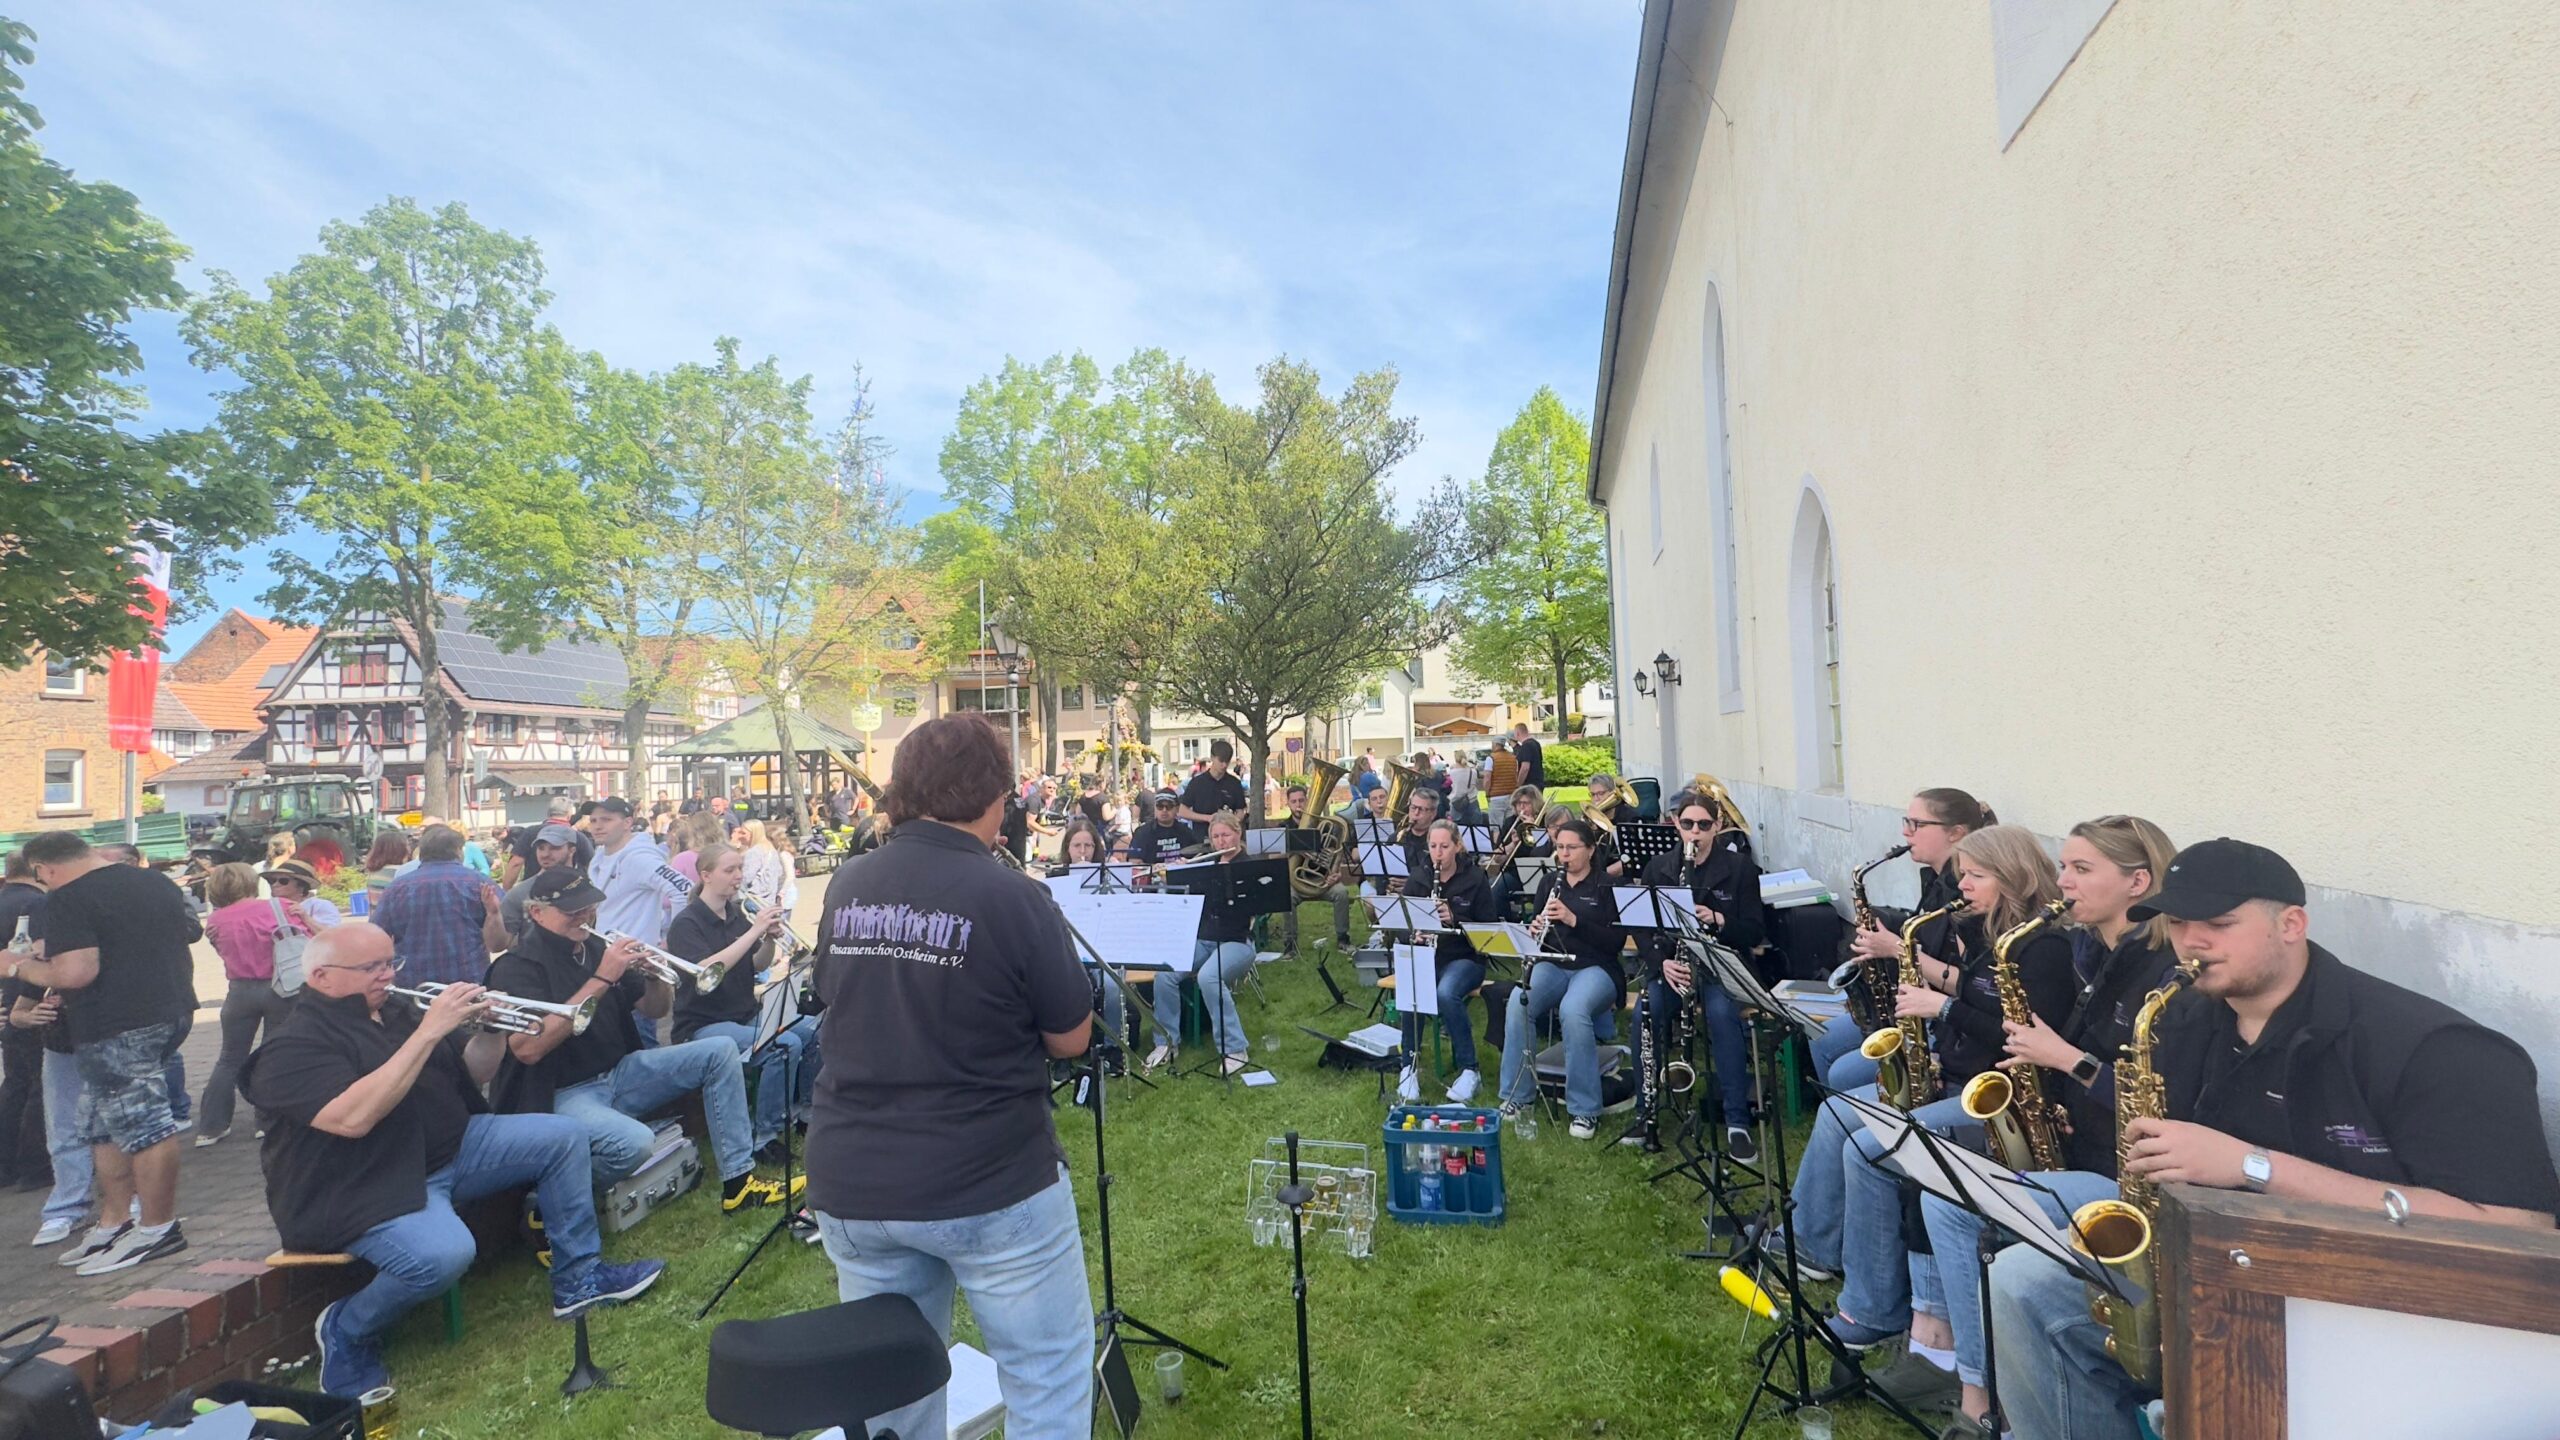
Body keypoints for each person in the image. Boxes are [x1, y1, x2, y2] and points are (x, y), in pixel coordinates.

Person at [1991, 838, 2560, 1440]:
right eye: (2178, 923)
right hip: (2220, 1268)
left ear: (2292, 925)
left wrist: (2253, 1166)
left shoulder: (2435, 1048)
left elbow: (2518, 1228)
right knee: (2022, 1282)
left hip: (2372, 1303)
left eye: (2218, 923)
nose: (2191, 942)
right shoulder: (2183, 1018)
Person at [805, 714, 1097, 1437]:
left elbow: (830, 994)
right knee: (1047, 1380)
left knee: (893, 1396)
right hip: (988, 1179)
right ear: (992, 797)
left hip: (856, 1176)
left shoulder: (849, 882)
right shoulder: (1013, 895)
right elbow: (1071, 1038)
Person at [237, 922, 664, 1397]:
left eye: (391, 962)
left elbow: (475, 1072)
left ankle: (579, 1279)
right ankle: (347, 1327)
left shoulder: (396, 1010)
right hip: (363, 1183)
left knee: (563, 1135)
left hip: (451, 1147)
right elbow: (352, 1119)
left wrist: (492, 1030)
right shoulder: (290, 1048)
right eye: (371, 967)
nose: (387, 975)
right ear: (321, 977)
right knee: (443, 1256)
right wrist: (429, 1031)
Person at [1882, 815, 2182, 1432]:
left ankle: (1977, 1393)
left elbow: (2161, 1096)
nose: (2062, 881)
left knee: (1951, 1199)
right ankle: (1955, 1359)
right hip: (2077, 1142)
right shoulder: (2093, 952)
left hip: (2123, 1180)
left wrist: (2066, 1063)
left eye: (2080, 869)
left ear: (2138, 883)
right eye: (2064, 866)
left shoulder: (2160, 972)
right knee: (1936, 1178)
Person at [1798, 825, 2075, 1359]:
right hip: (1957, 1075)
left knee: (1868, 1149)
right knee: (1845, 1118)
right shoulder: (1987, 930)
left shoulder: (2042, 949)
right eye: (1962, 874)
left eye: (1976, 876)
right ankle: (1834, 1257)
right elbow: (1977, 1001)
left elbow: (2017, 1033)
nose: (1962, 885)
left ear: (2014, 876)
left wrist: (1942, 1008)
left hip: (2000, 1100)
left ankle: (1873, 1307)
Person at [484, 867, 794, 1212]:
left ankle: (738, 1182)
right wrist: (603, 978)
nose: (585, 916)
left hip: (620, 1072)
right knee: (634, 1145)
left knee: (720, 1051)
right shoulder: (516, 967)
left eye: (589, 906)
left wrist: (653, 977)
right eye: (573, 911)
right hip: (562, 1091)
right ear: (537, 913)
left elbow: (655, 1010)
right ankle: (547, 1198)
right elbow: (527, 1049)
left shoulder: (595, 947)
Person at [11, 832, 198, 1275]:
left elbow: (75, 973)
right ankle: (115, 1222)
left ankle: (157, 1228)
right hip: (170, 1009)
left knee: (145, 1125)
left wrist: (17, 965)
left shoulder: (68, 897)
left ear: (44, 868)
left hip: (118, 1023)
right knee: (101, 1125)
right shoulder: (154, 882)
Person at [1814, 788, 1995, 1090]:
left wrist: (1895, 949)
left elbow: (1968, 984)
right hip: (1920, 1005)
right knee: (1821, 1040)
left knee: (1842, 1074)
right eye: (1906, 821)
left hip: (1947, 1024)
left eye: (1917, 824)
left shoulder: (1967, 899)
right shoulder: (1935, 881)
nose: (1905, 832)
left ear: (1956, 833)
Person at [668, 843, 816, 1165]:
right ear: (706, 875)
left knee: (813, 1030)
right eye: (729, 870)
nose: (738, 876)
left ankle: (805, 1113)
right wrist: (755, 931)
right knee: (784, 1045)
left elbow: (755, 964)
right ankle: (765, 1137)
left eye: (740, 869)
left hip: (745, 1013)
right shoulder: (686, 923)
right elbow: (708, 971)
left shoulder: (736, 914)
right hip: (703, 1024)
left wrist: (769, 939)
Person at [1639, 790, 1766, 1162]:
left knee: (1723, 1016)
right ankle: (1645, 1111)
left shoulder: (1740, 869)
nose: (1695, 832)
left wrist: (1719, 918)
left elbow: (1755, 931)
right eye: (1688, 824)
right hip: (1675, 966)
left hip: (1720, 965)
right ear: (1676, 824)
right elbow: (1643, 928)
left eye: (1704, 825)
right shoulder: (1659, 867)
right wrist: (1661, 963)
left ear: (1718, 826)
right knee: (1646, 1010)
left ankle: (1737, 1121)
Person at [1495, 819, 1624, 1140]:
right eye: (1560, 847)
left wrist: (1573, 919)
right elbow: (1540, 931)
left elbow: (1615, 943)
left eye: (1571, 848)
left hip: (1597, 966)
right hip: (1553, 962)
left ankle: (1584, 1109)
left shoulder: (1608, 886)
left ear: (1590, 850)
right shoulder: (1549, 882)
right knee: (1518, 1002)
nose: (1564, 854)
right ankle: (1517, 1095)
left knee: (1573, 1010)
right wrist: (1535, 928)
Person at [194, 863, 308, 1148]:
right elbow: (309, 939)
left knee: (229, 1058)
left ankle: (211, 1126)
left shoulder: (216, 920)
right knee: (272, 1053)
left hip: (239, 991)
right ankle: (266, 1121)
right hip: (281, 987)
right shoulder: (281, 907)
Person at [1147, 811, 1259, 1076]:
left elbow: (1256, 907)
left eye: (1226, 835)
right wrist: (1183, 873)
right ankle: (1166, 1041)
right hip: (1205, 939)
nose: (1221, 841)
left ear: (1238, 834)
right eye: (1216, 836)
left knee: (1208, 977)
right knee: (1165, 974)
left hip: (1237, 941)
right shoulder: (1207, 865)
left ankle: (1235, 1048)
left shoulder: (1249, 866)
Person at [1397, 819, 1498, 1103]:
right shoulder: (1419, 876)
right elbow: (1402, 922)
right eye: (1433, 846)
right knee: (1413, 989)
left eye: (1444, 846)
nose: (1438, 853)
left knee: (1445, 993)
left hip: (1465, 957)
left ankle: (1470, 1070)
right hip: (1428, 955)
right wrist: (1413, 934)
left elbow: (1489, 928)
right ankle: (1409, 1066)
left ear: (1457, 846)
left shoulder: (1475, 878)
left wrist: (1455, 918)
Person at [586, 796, 690, 1048]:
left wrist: (671, 941)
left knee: (642, 1040)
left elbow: (684, 889)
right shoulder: (599, 855)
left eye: (606, 820)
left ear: (627, 823)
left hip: (637, 965)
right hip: (609, 959)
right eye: (593, 820)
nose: (597, 826)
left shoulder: (640, 857)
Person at [373, 826, 501, 988]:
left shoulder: (396, 888)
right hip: (469, 981)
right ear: (458, 850)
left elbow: (376, 934)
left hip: (415, 984)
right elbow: (502, 937)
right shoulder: (479, 882)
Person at [0, 852, 53, 1194]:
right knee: (39, 1084)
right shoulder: (37, 904)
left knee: (15, 1084)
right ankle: (36, 1165)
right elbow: (40, 957)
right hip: (27, 1001)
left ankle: (6, 1165)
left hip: (6, 1005)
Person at [1176, 739, 1248, 841]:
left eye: (1227, 761)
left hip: (1227, 839)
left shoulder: (1234, 783)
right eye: (1221, 761)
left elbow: (1241, 811)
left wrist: (1231, 822)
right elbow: (1183, 811)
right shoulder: (1197, 783)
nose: (1224, 765)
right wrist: (1208, 818)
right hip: (1202, 838)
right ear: (1212, 758)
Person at [262, 859, 342, 931]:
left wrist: (305, 917)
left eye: (283, 881)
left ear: (301, 886)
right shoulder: (268, 907)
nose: (275, 885)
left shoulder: (320, 905)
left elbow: (331, 935)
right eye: (272, 880)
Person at [1126, 791, 1189, 867]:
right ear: (1155, 808)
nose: (1164, 810)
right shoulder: (1142, 832)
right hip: (1152, 873)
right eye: (1160, 806)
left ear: (1177, 809)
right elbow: (1134, 862)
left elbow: (1197, 854)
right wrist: (1154, 867)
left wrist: (1187, 863)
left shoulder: (1185, 831)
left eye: (1169, 806)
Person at [1509, 723, 1544, 790]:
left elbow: (1525, 768)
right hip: (1538, 783)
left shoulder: (1526, 746)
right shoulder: (1536, 743)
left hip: (1529, 786)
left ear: (1517, 733)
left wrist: (1518, 784)